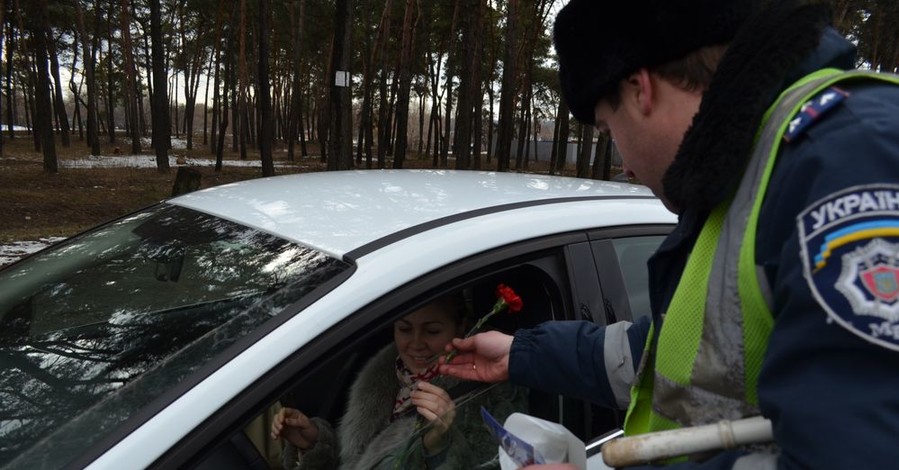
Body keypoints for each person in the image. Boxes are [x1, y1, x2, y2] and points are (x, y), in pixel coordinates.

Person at [441, 0, 899, 468]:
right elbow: (684, 348)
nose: (622, 162)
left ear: (640, 89)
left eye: (607, 128)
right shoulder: (748, 173)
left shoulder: (850, 161)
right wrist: (523, 352)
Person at [271, 293, 526, 469]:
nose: (415, 343)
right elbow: (359, 460)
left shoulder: (491, 393)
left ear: (461, 327)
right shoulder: (383, 376)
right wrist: (314, 442)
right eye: (404, 329)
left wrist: (438, 445)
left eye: (432, 331)